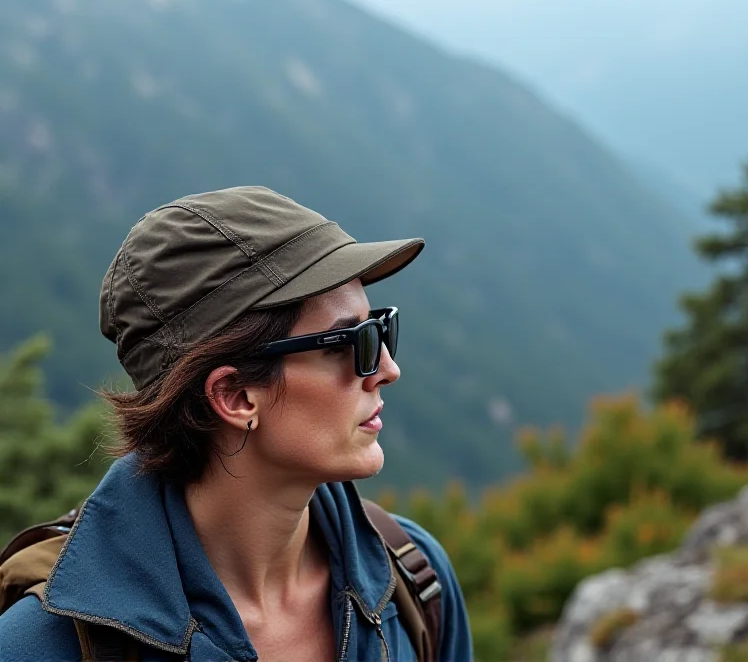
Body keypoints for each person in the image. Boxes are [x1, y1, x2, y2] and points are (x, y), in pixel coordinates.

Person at [0, 186, 472, 661]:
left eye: (381, 327)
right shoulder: (40, 645)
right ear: (236, 396)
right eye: (349, 343)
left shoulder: (414, 577)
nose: (388, 369)